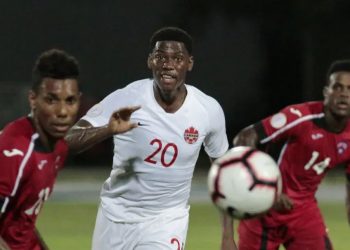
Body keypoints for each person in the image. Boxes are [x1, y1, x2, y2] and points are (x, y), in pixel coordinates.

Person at [65, 26, 236, 250]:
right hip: (114, 217)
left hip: (166, 222)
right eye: (160, 57)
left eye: (177, 58)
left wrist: (227, 235)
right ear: (150, 61)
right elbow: (67, 141)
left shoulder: (208, 110)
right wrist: (107, 129)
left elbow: (223, 173)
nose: (168, 64)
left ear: (189, 63)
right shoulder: (126, 98)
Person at [231, 59, 350, 249]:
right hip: (263, 210)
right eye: (337, 87)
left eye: (349, 89)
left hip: (303, 212)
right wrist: (267, 190)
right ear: (326, 92)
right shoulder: (300, 117)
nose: (344, 94)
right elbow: (245, 138)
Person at [0, 49, 81, 250]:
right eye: (51, 100)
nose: (62, 112)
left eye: (70, 101)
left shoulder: (58, 146)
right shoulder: (15, 151)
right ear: (33, 99)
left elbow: (23, 219)